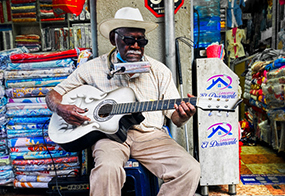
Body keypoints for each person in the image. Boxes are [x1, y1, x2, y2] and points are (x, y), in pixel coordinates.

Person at [46, 7, 200, 196]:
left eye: (141, 40)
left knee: (190, 169)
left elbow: (175, 118)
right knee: (106, 170)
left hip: (151, 136)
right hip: (110, 138)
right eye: (129, 40)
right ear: (114, 39)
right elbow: (54, 94)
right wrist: (61, 108)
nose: (136, 45)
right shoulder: (93, 68)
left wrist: (185, 114)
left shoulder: (159, 71)